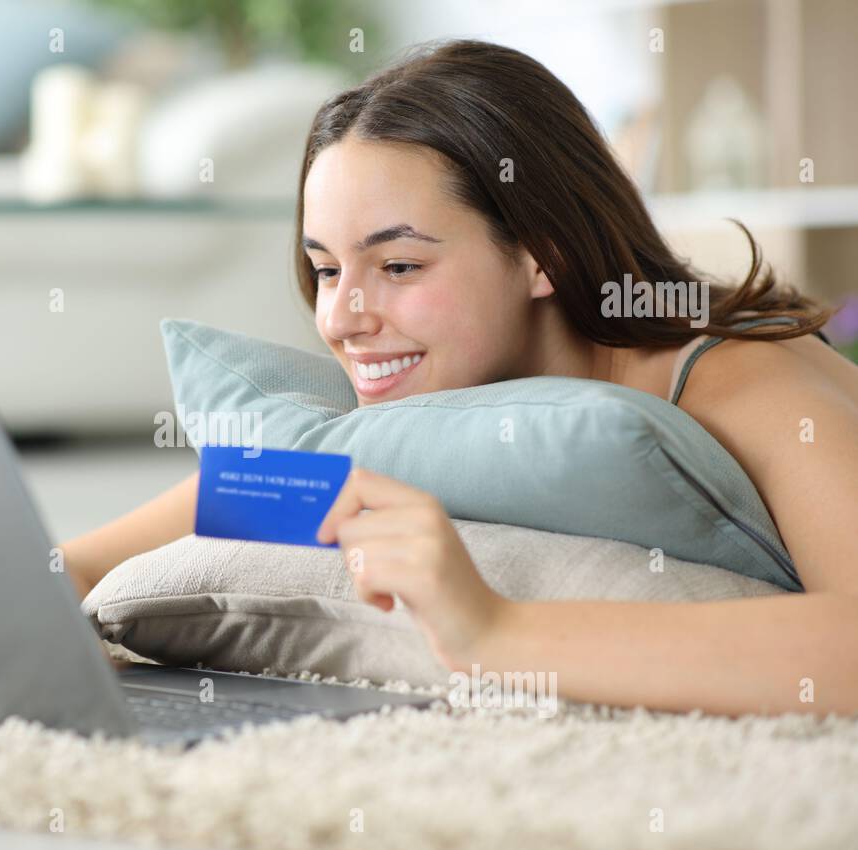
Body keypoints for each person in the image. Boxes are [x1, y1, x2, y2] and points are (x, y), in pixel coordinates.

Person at [63, 41, 858, 717]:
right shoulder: (440, 406)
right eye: (326, 269)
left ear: (545, 254)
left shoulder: (750, 385)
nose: (342, 318)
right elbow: (126, 545)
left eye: (399, 265)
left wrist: (494, 635)